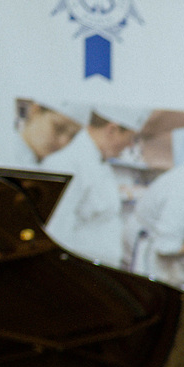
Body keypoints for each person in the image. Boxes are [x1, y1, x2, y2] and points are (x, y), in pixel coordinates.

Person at [45, 106, 147, 266]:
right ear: (112, 130)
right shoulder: (67, 164)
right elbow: (57, 234)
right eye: (130, 138)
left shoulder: (99, 161)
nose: (129, 145)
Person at [11, 98, 82, 167]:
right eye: (59, 127)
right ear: (33, 110)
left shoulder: (58, 167)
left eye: (73, 135)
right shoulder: (8, 154)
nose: (64, 142)